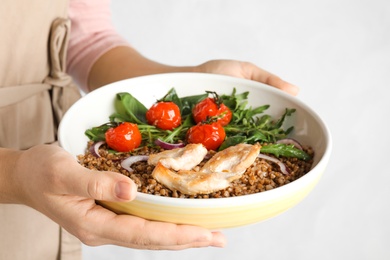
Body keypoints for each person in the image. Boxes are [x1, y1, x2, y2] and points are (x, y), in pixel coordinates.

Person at [0, 0, 299, 259]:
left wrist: (187, 81)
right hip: (31, 174)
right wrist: (15, 176)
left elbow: (83, 36)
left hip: (39, 164)